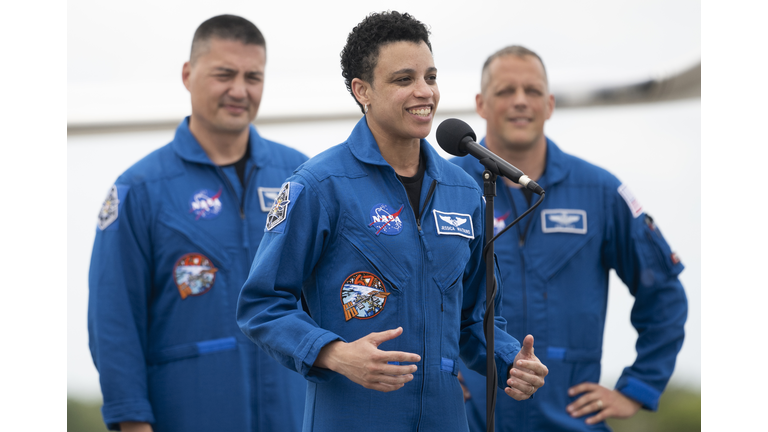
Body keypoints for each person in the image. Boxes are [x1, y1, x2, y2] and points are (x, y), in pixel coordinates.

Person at [236, 11, 548, 432]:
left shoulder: (465, 191)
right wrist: (334, 353)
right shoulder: (320, 185)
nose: (425, 92)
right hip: (349, 416)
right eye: (404, 80)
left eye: (431, 77)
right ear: (361, 90)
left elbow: (474, 319)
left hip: (445, 418)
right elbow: (262, 305)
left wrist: (511, 358)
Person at [88, 15, 309, 432]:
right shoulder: (140, 189)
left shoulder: (301, 177)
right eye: (224, 74)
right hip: (187, 414)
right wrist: (132, 422)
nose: (239, 91)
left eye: (253, 77)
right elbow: (113, 321)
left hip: (294, 415)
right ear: (188, 75)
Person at [452, 45, 688, 432]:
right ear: (480, 103)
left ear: (549, 103)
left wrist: (637, 387)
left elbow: (663, 291)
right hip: (466, 420)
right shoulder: (444, 187)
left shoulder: (599, 190)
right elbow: (406, 296)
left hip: (570, 420)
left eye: (532, 91)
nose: (519, 102)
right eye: (505, 91)